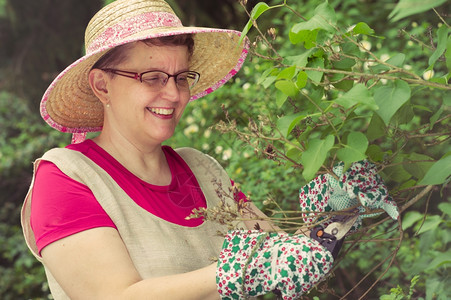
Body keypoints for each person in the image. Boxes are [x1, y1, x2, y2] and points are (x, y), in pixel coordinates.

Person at [21, 0, 396, 299]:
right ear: (102, 86)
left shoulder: (202, 169)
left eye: (182, 77)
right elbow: (115, 295)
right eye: (152, 77)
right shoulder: (66, 179)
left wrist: (333, 218)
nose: (173, 94)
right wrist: (234, 272)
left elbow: (286, 260)